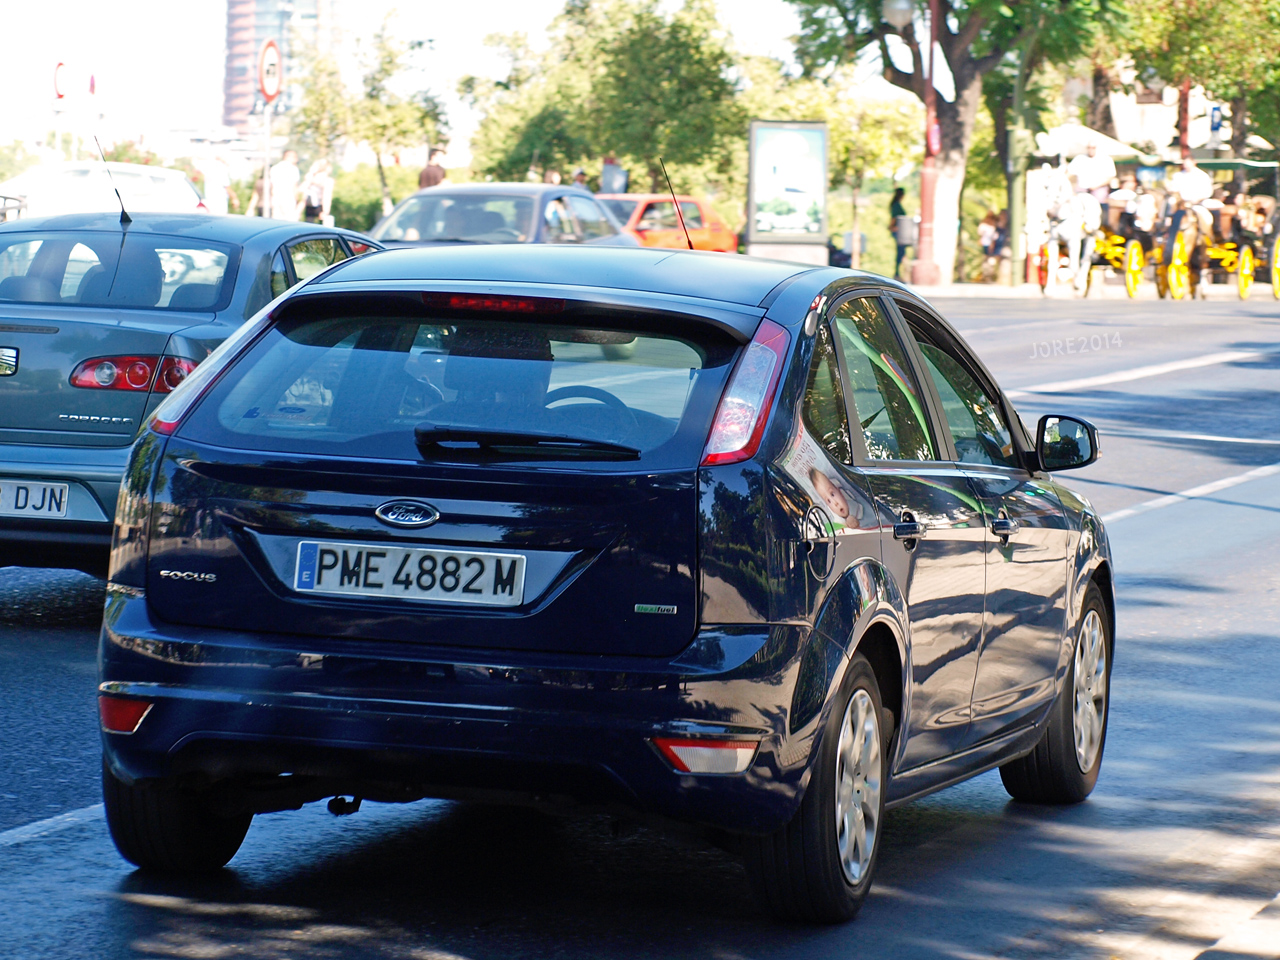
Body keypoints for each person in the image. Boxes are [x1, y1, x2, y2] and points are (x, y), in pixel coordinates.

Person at [1067, 142, 1116, 206]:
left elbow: (1111, 177)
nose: (1091, 149)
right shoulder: (1079, 158)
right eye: (1089, 147)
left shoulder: (1106, 159)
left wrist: (1096, 186)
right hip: (1082, 189)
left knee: (1099, 203)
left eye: (1093, 148)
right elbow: (1069, 173)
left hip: (1099, 189)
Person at [269, 150, 302, 220]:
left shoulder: (274, 168)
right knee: (290, 222)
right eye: (295, 157)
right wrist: (297, 200)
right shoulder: (293, 169)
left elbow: (271, 186)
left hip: (276, 198)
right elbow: (294, 187)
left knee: (277, 222)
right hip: (289, 198)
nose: (296, 159)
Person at [301, 158, 335, 225]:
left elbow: (302, 190)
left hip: (309, 204)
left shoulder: (310, 177)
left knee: (308, 224)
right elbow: (327, 196)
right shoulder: (328, 180)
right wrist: (326, 211)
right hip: (319, 206)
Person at [889, 187, 909, 281]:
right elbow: (894, 218)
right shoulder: (896, 205)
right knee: (900, 252)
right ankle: (897, 273)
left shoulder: (896, 204)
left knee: (902, 252)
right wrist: (893, 226)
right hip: (898, 232)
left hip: (901, 232)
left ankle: (902, 273)